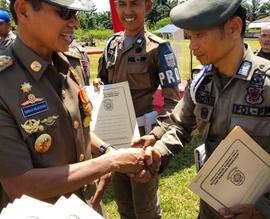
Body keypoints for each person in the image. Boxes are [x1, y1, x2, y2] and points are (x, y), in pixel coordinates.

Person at [0, 0, 148, 213]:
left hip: (86, 206)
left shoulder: (69, 63)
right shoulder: (4, 84)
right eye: (65, 13)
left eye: (76, 13)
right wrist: (111, 162)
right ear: (24, 11)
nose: (76, 22)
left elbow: (77, 126)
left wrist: (107, 151)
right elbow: (19, 185)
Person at [134, 0, 270, 218]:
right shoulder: (200, 82)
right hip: (211, 208)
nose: (192, 46)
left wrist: (263, 210)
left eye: (199, 35)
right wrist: (158, 153)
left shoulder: (266, 85)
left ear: (234, 28)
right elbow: (180, 126)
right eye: (189, 37)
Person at [93, 0, 181, 218]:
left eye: (135, 4)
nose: (128, 11)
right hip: (114, 136)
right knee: (123, 202)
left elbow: (173, 101)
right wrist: (97, 84)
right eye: (122, 4)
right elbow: (103, 79)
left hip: (143, 138)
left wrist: (155, 135)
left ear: (147, 6)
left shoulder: (158, 48)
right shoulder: (111, 44)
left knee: (145, 206)